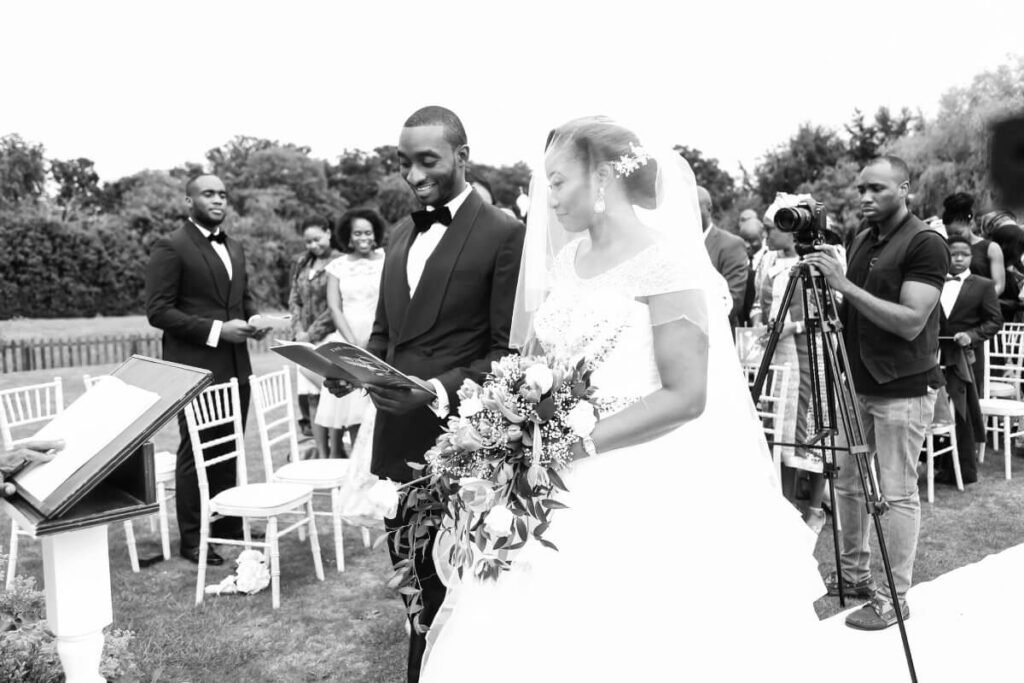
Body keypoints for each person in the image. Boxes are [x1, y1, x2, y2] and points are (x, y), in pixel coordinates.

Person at [420, 117, 829, 682]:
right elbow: (537, 366)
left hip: (644, 479)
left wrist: (566, 444)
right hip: (552, 476)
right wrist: (506, 424)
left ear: (605, 177)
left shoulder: (668, 263)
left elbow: (686, 397)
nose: (550, 199)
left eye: (559, 182)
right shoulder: (565, 264)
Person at [324, 106, 524, 683]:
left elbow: (507, 352)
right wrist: (357, 372)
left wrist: (434, 389)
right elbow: (386, 332)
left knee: (465, 597)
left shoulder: (504, 234)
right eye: (404, 163)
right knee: (415, 590)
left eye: (428, 160)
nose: (414, 175)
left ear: (463, 156)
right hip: (398, 445)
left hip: (465, 449)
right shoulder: (401, 231)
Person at [802, 155, 950, 631]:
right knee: (846, 484)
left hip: (903, 388)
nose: (865, 197)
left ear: (904, 189)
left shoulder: (926, 243)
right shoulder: (864, 238)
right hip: (858, 383)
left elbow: (910, 322)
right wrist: (825, 292)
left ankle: (894, 596)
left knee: (897, 492)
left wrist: (842, 283)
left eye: (877, 189)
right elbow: (855, 312)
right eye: (861, 188)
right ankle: (854, 576)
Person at [145, 173, 266, 567]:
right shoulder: (171, 247)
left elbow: (241, 301)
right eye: (208, 194)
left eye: (223, 194)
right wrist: (217, 330)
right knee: (195, 451)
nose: (218, 200)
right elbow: (158, 312)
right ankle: (193, 538)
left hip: (236, 366)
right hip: (195, 367)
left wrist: (255, 318)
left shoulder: (235, 246)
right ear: (188, 200)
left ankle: (227, 522)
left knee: (229, 445)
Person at [757, 196, 827, 534]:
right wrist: (761, 323)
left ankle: (815, 507)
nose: (768, 236)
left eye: (772, 229)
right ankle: (784, 503)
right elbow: (762, 303)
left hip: (807, 351)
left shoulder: (815, 261)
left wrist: (793, 327)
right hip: (778, 354)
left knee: (812, 431)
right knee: (782, 431)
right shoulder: (769, 263)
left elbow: (826, 310)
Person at [314, 208, 387, 458]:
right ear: (348, 236)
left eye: (368, 232)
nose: (363, 238)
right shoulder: (337, 266)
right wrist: (354, 343)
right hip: (348, 338)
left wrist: (373, 341)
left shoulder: (388, 260)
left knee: (377, 409)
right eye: (358, 233)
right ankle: (354, 465)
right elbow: (334, 307)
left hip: (381, 337)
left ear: (375, 234)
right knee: (354, 409)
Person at [936, 234, 1002, 485]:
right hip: (936, 355)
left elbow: (995, 321)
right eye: (954, 254)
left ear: (972, 257)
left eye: (965, 254)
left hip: (967, 356)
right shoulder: (934, 283)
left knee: (962, 410)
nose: (960, 259)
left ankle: (964, 470)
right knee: (938, 407)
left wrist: (972, 335)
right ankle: (938, 465)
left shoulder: (983, 285)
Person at [288, 217, 342, 451]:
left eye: (316, 239)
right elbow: (294, 299)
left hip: (329, 337)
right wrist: (299, 330)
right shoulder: (302, 263)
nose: (312, 246)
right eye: (308, 241)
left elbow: (336, 306)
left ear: (329, 233)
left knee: (332, 396)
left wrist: (312, 333)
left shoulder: (339, 261)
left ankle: (336, 451)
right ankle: (320, 451)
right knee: (312, 398)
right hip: (304, 340)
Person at [697, 186, 748, 328]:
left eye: (693, 207)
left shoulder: (731, 244)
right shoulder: (677, 245)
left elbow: (734, 299)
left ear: (709, 209)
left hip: (718, 333)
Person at [942, 192, 1004, 295]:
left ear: (970, 224)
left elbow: (999, 285)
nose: (954, 237)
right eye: (950, 234)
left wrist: (981, 302)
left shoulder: (991, 248)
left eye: (958, 233)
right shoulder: (944, 248)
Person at [990, 223, 1024, 323]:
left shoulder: (1017, 267)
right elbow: (984, 299)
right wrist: (1015, 304)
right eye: (1020, 248)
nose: (1021, 253)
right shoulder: (991, 269)